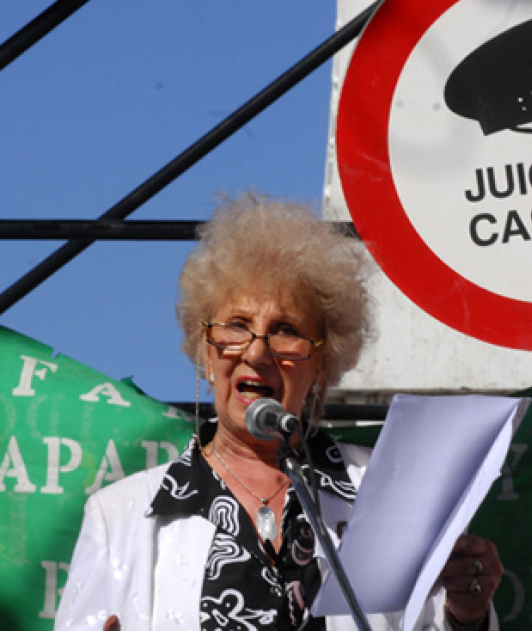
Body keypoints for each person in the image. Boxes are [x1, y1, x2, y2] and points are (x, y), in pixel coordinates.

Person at [55, 193, 503, 630]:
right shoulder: (120, 516)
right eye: (236, 326)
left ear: (323, 363)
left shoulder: (385, 494)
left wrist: (466, 617)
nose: (257, 352)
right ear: (207, 355)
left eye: (285, 330)